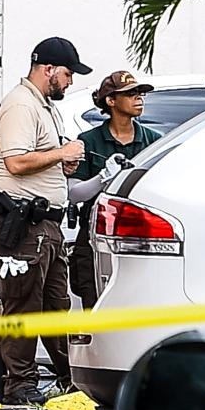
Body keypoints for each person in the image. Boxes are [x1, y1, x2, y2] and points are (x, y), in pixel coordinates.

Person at [0, 36, 91, 405]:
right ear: (48, 70)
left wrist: (62, 161)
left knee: (56, 305)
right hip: (23, 224)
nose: (70, 81)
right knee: (23, 305)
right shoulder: (20, 105)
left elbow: (38, 156)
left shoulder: (42, 105)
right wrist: (61, 152)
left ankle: (67, 378)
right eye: (67, 73)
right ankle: (20, 385)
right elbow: (15, 162)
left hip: (46, 226)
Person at [68, 71, 161, 308]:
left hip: (140, 238)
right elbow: (74, 193)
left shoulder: (153, 140)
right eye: (131, 94)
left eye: (140, 93)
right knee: (95, 305)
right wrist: (103, 177)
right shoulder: (88, 140)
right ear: (111, 101)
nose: (139, 98)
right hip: (94, 237)